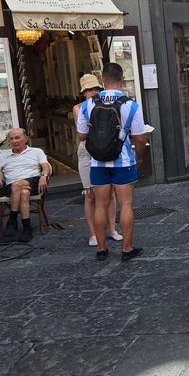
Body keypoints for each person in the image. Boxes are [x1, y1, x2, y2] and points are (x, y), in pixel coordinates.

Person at [76, 62, 147, 261]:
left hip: (97, 162)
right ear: (122, 79)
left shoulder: (88, 104)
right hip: (123, 161)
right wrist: (139, 157)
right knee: (126, 204)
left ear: (102, 80)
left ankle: (101, 248)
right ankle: (127, 248)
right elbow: (140, 138)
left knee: (100, 205)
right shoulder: (130, 104)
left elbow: (82, 135)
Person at [73, 74, 121, 247]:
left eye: (96, 89)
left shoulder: (106, 104)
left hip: (106, 148)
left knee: (112, 193)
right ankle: (93, 233)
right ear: (83, 92)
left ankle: (112, 229)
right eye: (89, 90)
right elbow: (83, 132)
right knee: (90, 195)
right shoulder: (79, 108)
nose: (93, 92)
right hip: (87, 151)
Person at [0, 127, 49, 242]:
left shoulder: (36, 151)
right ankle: (27, 229)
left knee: (17, 185)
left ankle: (12, 219)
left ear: (26, 139)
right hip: (11, 187)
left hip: (33, 182)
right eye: (11, 139)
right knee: (23, 192)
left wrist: (44, 176)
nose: (14, 141)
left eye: (17, 138)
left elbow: (45, 166)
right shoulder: (4, 155)